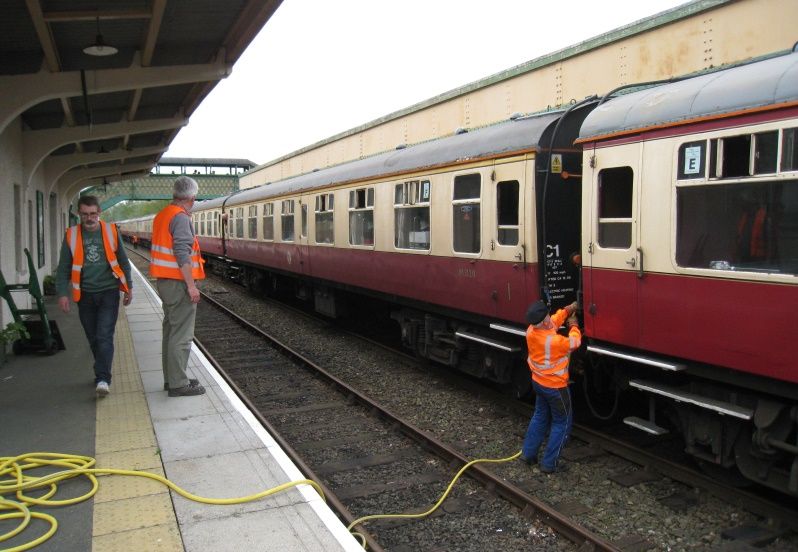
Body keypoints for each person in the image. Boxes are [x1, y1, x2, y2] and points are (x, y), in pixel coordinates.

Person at [56, 195, 132, 397]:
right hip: (85, 295)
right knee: (93, 338)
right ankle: (101, 369)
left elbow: (123, 262)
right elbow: (63, 267)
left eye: (92, 214)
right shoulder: (71, 235)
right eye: (84, 214)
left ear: (99, 213)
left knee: (104, 335)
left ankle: (103, 379)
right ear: (79, 214)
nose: (89, 218)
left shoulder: (110, 231)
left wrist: (128, 288)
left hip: (108, 292)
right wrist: (62, 294)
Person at [150, 176, 206, 397]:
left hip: (165, 282)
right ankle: (178, 384)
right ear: (191, 198)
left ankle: (172, 378)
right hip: (177, 283)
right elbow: (182, 253)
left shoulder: (162, 215)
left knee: (171, 331)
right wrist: (191, 287)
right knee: (181, 335)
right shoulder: (181, 218)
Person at [520, 299, 581, 473]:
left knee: (539, 416)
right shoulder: (554, 341)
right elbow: (574, 343)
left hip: (538, 382)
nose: (550, 317)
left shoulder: (532, 330)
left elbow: (554, 321)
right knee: (562, 422)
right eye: (547, 315)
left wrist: (568, 309)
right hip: (555, 387)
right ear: (544, 320)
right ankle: (549, 464)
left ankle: (528, 454)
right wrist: (574, 326)